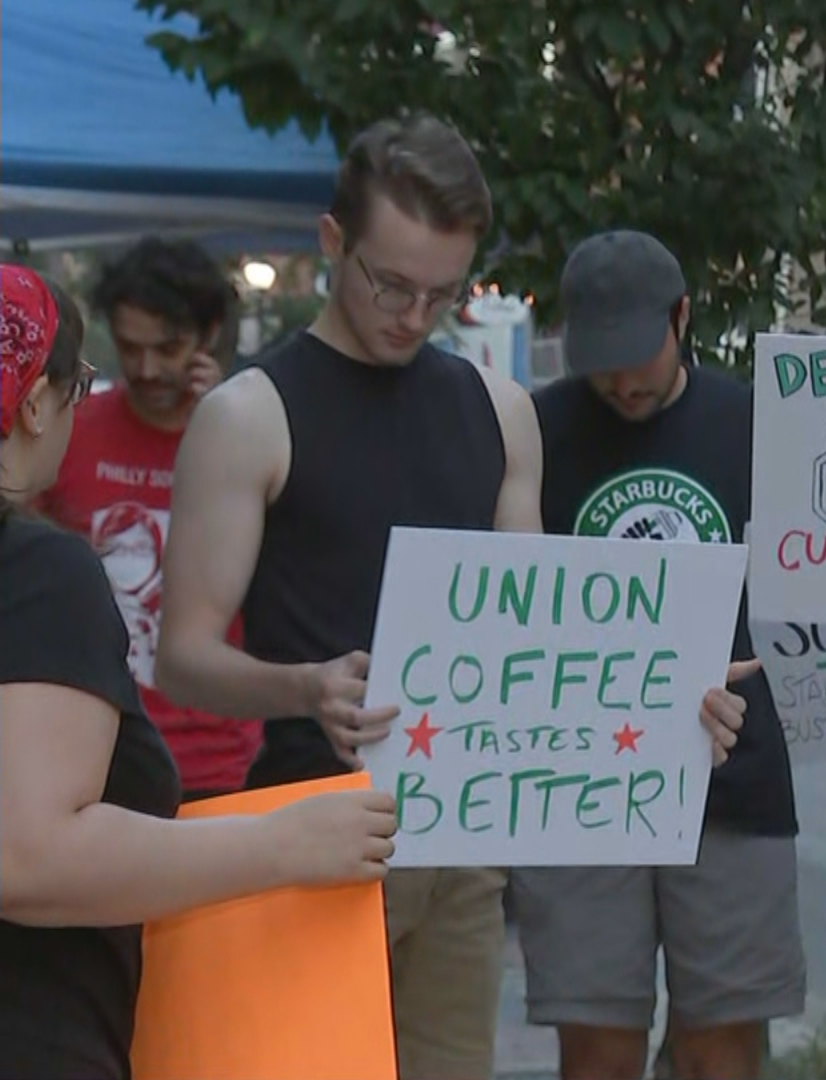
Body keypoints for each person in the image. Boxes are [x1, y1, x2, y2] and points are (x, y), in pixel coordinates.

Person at [150, 114, 546, 1080]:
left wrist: (662, 701)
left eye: (443, 294)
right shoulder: (249, 414)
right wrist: (305, 689)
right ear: (333, 242)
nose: (414, 314)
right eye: (391, 284)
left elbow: (538, 633)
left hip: (461, 832)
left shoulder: (500, 409)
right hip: (313, 826)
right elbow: (182, 655)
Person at [0, 263, 398, 1080]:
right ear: (36, 403)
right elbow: (29, 855)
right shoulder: (37, 573)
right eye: (78, 384)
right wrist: (277, 845)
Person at [509, 230, 801, 1080]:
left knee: (724, 1043)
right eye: (601, 362)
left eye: (639, 356)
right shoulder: (537, 428)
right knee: (596, 1046)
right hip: (585, 784)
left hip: (733, 772)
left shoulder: (751, 420)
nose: (623, 382)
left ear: (683, 317)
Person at [38, 236, 262, 800]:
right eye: (130, 347)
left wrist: (224, 422)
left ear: (210, 336)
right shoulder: (73, 431)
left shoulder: (255, 433)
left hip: (220, 759)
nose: (147, 368)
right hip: (96, 752)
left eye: (168, 347)